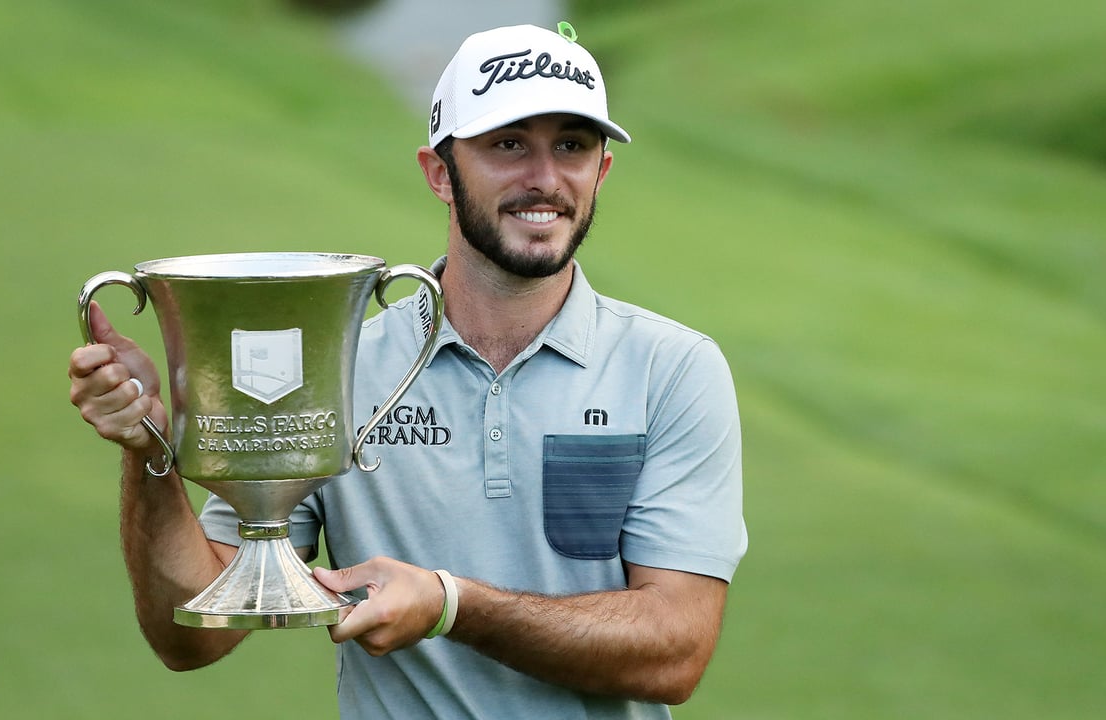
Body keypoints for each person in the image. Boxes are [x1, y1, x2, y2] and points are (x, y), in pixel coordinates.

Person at [69, 21, 746, 719]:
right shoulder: (337, 365)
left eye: (571, 146)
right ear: (438, 173)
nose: (544, 179)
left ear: (601, 171)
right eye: (508, 144)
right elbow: (192, 634)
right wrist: (146, 450)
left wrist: (453, 605)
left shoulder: (673, 370)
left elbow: (675, 650)